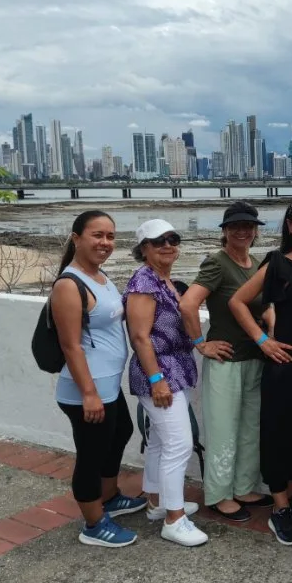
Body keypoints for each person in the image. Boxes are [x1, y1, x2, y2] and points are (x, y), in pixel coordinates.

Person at [229, 197, 292, 547]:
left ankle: (291, 493)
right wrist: (262, 341)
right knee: (280, 433)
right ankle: (280, 506)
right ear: (290, 226)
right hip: (285, 364)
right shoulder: (277, 264)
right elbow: (237, 302)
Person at [51, 209, 146, 548]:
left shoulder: (100, 276)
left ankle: (109, 496)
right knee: (91, 455)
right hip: (86, 389)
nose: (105, 242)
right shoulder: (68, 284)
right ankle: (93, 523)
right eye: (97, 235)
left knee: (120, 432)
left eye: (110, 236)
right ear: (76, 238)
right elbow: (70, 345)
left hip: (106, 383)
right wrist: (89, 393)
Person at [180, 201, 274, 522]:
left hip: (255, 358)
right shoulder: (217, 263)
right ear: (224, 230)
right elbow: (188, 304)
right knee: (222, 428)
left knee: (250, 428)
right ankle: (219, 494)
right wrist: (201, 344)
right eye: (235, 225)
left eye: (248, 225)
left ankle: (244, 486)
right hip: (226, 361)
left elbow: (265, 308)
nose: (243, 231)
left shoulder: (257, 264)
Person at [124, 219, 208, 548]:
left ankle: (157, 502)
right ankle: (174, 519)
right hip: (160, 372)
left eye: (173, 239)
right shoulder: (144, 281)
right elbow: (140, 337)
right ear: (143, 249)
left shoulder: (164, 280)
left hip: (175, 368)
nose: (168, 245)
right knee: (179, 445)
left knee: (160, 442)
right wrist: (157, 379)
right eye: (158, 241)